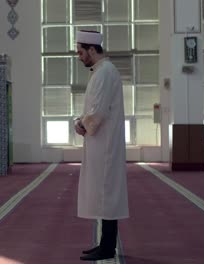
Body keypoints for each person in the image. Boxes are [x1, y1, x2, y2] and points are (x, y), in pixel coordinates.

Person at [73, 30, 129, 261]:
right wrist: (85, 123)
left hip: (104, 145)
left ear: (92, 50)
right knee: (103, 195)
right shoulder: (101, 72)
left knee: (107, 195)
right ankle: (104, 244)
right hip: (100, 143)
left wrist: (82, 125)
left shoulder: (105, 73)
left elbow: (97, 112)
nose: (79, 56)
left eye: (80, 52)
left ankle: (107, 248)